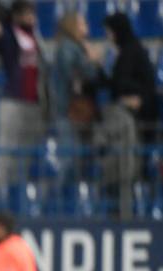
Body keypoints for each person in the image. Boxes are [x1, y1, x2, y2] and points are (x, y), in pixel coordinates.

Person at [0, 0, 49, 194]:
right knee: (6, 150)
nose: (31, 18)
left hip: (34, 102)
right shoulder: (10, 33)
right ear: (17, 16)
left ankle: (19, 196)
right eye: (27, 14)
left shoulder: (35, 37)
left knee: (27, 154)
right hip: (13, 100)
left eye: (33, 14)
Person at [99, 12, 158, 219]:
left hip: (132, 123)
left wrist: (135, 99)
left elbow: (136, 87)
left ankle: (125, 217)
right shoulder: (128, 51)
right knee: (120, 171)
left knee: (126, 171)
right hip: (129, 122)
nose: (108, 36)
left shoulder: (132, 52)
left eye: (109, 32)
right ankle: (120, 214)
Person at [49, 12, 101, 190]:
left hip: (72, 112)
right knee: (70, 158)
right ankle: (58, 201)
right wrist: (92, 61)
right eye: (81, 23)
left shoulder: (75, 47)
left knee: (77, 159)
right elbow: (76, 74)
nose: (86, 26)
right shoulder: (68, 48)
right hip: (68, 111)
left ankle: (69, 202)